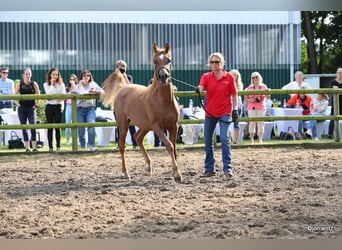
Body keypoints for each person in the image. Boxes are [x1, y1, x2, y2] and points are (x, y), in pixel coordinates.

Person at [195, 52, 238, 179]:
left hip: (225, 111)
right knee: (207, 140)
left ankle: (228, 168)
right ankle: (209, 169)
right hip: (210, 112)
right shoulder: (206, 76)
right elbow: (201, 87)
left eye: (217, 62)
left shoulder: (229, 77)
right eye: (212, 62)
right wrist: (198, 89)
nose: (214, 64)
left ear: (222, 63)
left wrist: (235, 109)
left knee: (224, 139)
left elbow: (234, 94)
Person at [74, 69, 104, 151]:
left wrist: (95, 91)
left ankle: (92, 145)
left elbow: (102, 91)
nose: (86, 77)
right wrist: (80, 84)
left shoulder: (93, 84)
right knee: (81, 128)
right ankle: (83, 146)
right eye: (84, 75)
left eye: (88, 75)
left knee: (91, 125)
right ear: (81, 77)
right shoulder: (77, 85)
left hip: (90, 108)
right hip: (80, 109)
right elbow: (79, 93)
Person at [14, 68, 41, 152]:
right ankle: (27, 147)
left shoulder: (34, 84)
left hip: (31, 108)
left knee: (33, 126)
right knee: (24, 127)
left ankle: (34, 147)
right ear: (23, 75)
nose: (28, 75)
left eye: (29, 74)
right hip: (22, 108)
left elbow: (38, 94)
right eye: (26, 74)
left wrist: (36, 104)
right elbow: (14, 95)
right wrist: (18, 104)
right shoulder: (20, 84)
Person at [114, 60, 137, 148]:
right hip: (118, 105)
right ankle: (120, 143)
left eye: (123, 66)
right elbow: (114, 88)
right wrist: (117, 75)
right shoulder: (114, 78)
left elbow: (130, 87)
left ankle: (135, 143)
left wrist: (124, 76)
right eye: (120, 66)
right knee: (120, 125)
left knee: (131, 125)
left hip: (129, 105)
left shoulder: (129, 77)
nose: (122, 68)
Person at [43, 68, 66, 152]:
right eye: (53, 74)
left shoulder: (61, 84)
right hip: (49, 107)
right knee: (50, 127)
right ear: (50, 75)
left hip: (58, 107)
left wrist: (55, 97)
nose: (55, 76)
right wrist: (52, 86)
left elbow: (62, 97)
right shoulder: (46, 84)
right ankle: (50, 147)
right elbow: (49, 96)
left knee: (57, 127)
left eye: (56, 75)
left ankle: (58, 146)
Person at [245, 72, 269, 144]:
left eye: (256, 77)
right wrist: (251, 100)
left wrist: (267, 92)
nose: (255, 79)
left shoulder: (264, 86)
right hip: (251, 106)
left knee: (261, 123)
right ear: (251, 79)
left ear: (259, 77)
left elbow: (268, 97)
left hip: (261, 106)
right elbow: (246, 98)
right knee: (252, 123)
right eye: (253, 77)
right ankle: (251, 139)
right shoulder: (249, 87)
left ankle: (260, 139)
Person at [229, 69, 244, 144]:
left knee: (236, 124)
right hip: (228, 105)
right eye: (233, 74)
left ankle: (236, 140)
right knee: (227, 123)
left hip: (237, 106)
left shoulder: (239, 85)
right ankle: (228, 140)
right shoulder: (227, 83)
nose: (234, 76)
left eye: (235, 75)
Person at [327, 67, 342, 138]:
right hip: (335, 102)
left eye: (341, 73)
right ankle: (330, 134)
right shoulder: (333, 82)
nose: (340, 74)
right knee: (333, 117)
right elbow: (332, 92)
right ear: (336, 74)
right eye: (339, 73)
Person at [65, 74, 78, 145]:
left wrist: (75, 87)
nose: (72, 81)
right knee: (68, 123)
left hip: (76, 106)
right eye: (71, 79)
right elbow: (64, 98)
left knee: (77, 123)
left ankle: (78, 140)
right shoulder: (67, 88)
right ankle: (67, 139)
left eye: (73, 79)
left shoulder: (78, 87)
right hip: (69, 106)